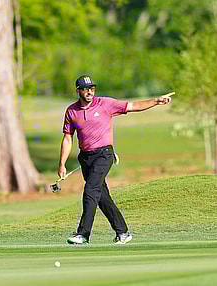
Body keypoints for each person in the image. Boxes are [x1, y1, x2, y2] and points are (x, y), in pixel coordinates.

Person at [58, 75, 173, 245]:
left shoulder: (105, 104)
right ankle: (123, 232)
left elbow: (133, 106)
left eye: (92, 88)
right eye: (85, 89)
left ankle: (83, 234)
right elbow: (68, 138)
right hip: (85, 158)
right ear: (78, 91)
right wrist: (62, 163)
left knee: (91, 189)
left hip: (104, 154)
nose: (90, 92)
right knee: (102, 196)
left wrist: (156, 100)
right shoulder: (71, 111)